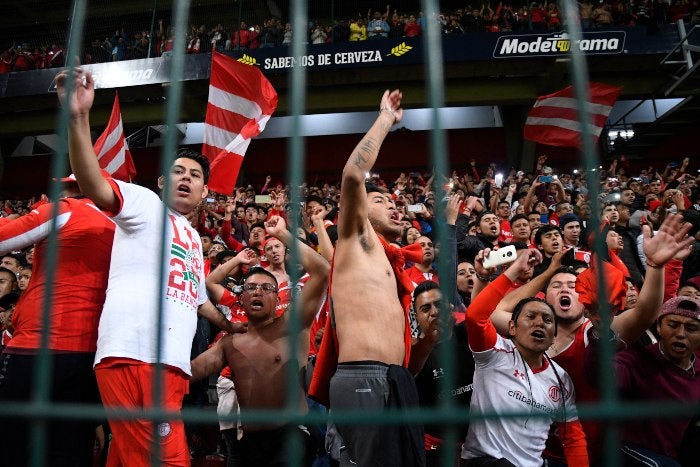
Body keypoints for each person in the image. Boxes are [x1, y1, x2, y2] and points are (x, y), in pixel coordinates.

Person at [57, 67, 243, 466]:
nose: (186, 179)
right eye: (178, 171)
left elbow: (195, 300)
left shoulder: (193, 239)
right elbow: (92, 181)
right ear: (161, 181)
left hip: (170, 366)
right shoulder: (144, 205)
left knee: (128, 457)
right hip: (135, 355)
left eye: (195, 175)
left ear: (205, 192)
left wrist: (229, 325)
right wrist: (77, 117)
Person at [309, 90, 425, 466]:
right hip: (365, 377)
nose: (391, 205)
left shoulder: (392, 265)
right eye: (380, 201)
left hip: (395, 379)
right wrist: (386, 119)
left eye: (393, 202)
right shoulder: (357, 239)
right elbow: (352, 174)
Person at [191, 215, 329, 466]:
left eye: (267, 289)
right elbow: (192, 370)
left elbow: (322, 270)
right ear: (240, 299)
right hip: (250, 440)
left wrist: (283, 234)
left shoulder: (292, 325)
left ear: (278, 299)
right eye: (251, 288)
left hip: (292, 435)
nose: (258, 292)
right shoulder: (230, 342)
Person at [0, 175, 115, 467]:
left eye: (64, 186)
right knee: (68, 451)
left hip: (38, 350)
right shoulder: (119, 225)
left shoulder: (64, 209)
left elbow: (4, 239)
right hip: (89, 354)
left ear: (78, 189)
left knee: (14, 447)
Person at [463, 248, 589, 466]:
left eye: (547, 320)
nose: (539, 323)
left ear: (553, 336)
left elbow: (573, 438)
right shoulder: (493, 353)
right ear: (512, 327)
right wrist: (514, 271)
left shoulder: (561, 380)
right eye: (530, 317)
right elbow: (475, 316)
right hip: (486, 461)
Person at [587, 296, 700, 466]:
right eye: (673, 325)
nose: (680, 334)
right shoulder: (636, 359)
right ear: (659, 328)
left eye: (691, 328)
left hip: (669, 458)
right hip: (623, 451)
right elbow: (602, 378)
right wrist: (599, 335)